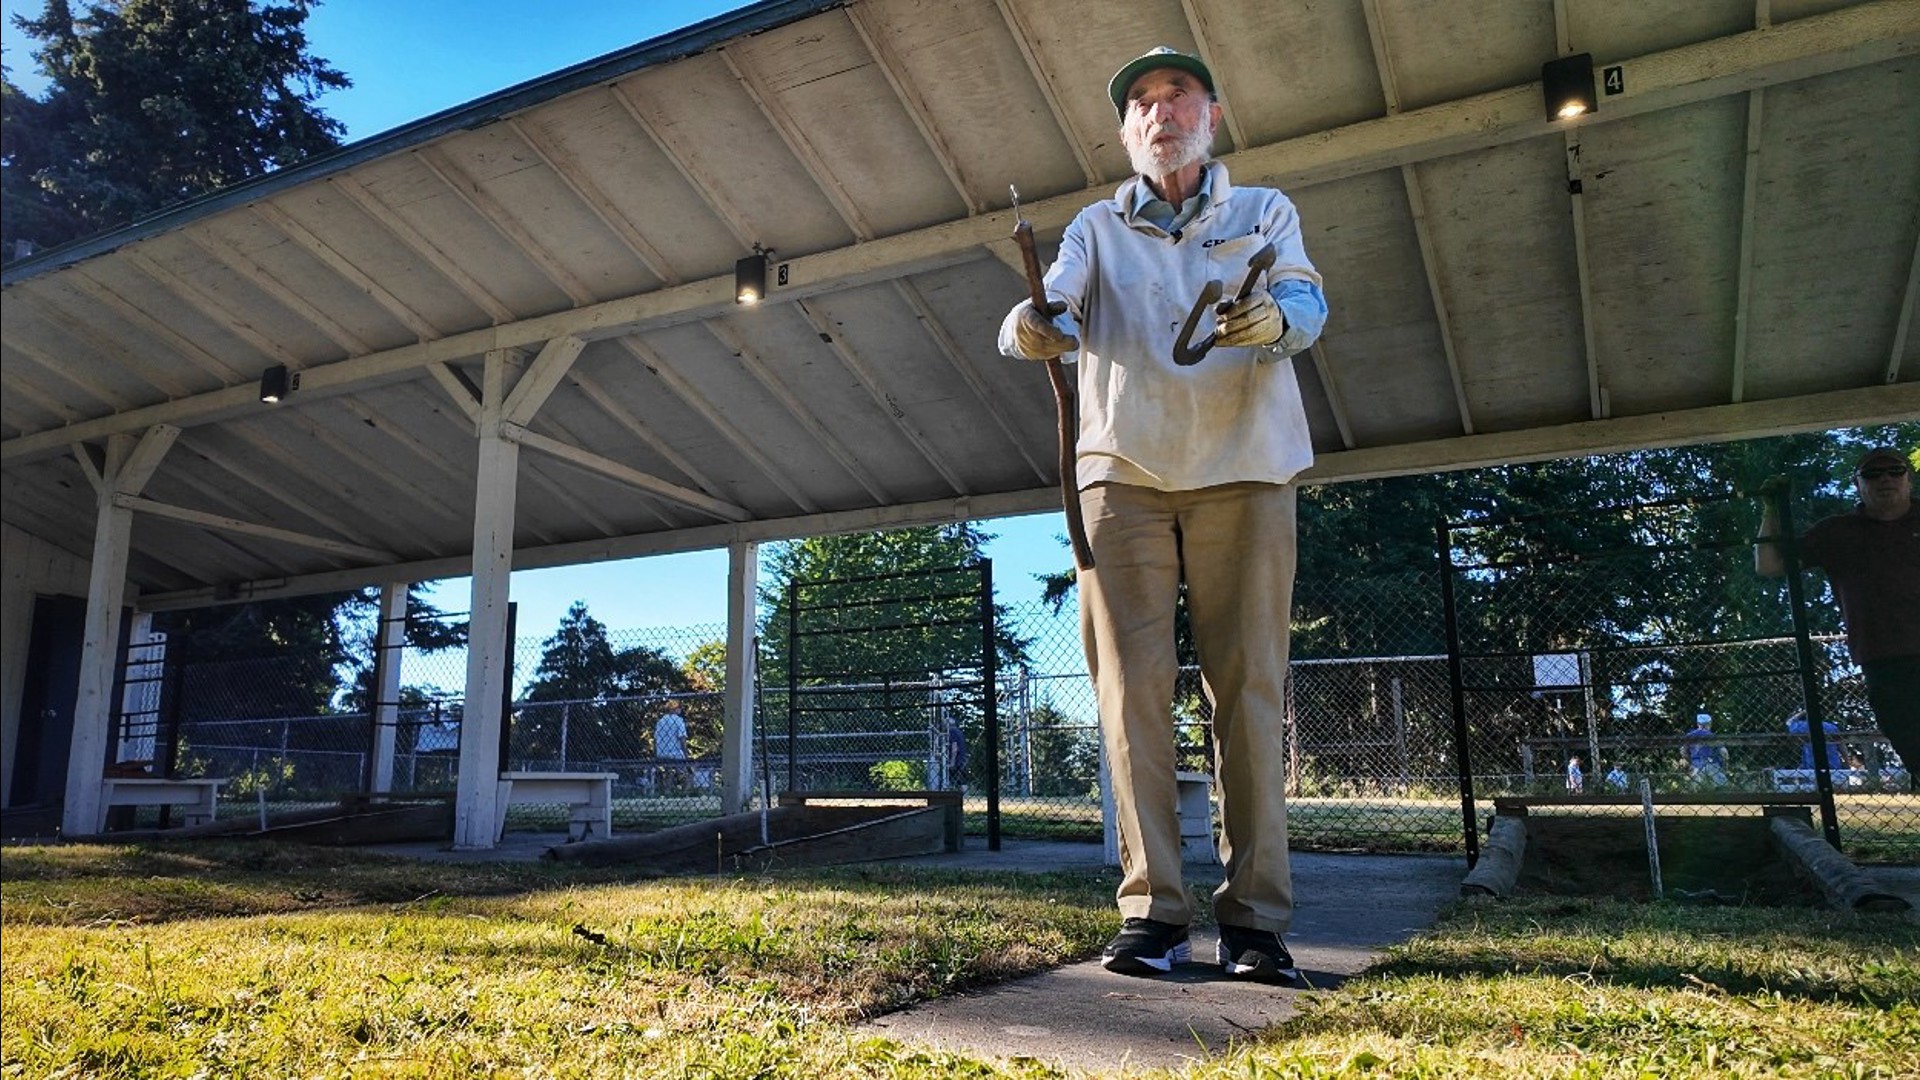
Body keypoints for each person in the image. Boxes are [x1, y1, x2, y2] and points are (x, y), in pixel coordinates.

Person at [998, 46, 1328, 984]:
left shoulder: (1263, 210)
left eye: (1175, 94)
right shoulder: (1095, 228)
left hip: (1249, 468)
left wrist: (1278, 323)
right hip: (1123, 477)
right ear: (1125, 132)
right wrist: (1030, 326)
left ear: (1210, 116)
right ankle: (1153, 914)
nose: (1159, 112)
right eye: (1141, 102)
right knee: (1130, 694)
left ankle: (1256, 924)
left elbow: (1305, 294)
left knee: (1250, 691)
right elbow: (1044, 305)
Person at [1756, 447, 1918, 788]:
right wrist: (1771, 509)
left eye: (1894, 470)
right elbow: (1769, 565)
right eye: (1873, 474)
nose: (1885, 479)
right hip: (1888, 664)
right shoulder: (1838, 533)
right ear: (1857, 484)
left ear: (1908, 478)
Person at [653, 697, 689, 793]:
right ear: (675, 709)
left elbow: (655, 740)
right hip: (675, 753)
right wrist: (686, 755)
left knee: (668, 771)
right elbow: (682, 739)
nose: (680, 710)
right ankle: (686, 792)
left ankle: (667, 791)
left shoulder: (660, 721)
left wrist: (656, 754)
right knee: (688, 772)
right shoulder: (678, 721)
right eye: (679, 708)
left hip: (661, 753)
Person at [1682, 712, 1727, 785]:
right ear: (1709, 723)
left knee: (1697, 792)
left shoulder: (1689, 736)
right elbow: (1724, 752)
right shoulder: (1712, 736)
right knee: (1723, 788)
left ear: (1698, 723)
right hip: (1713, 765)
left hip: (1696, 766)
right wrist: (1725, 766)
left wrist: (1691, 762)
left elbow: (1684, 752)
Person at [945, 715, 968, 790]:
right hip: (962, 758)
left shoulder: (952, 732)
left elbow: (954, 747)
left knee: (955, 778)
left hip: (956, 760)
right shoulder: (959, 732)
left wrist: (952, 762)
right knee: (961, 780)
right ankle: (963, 795)